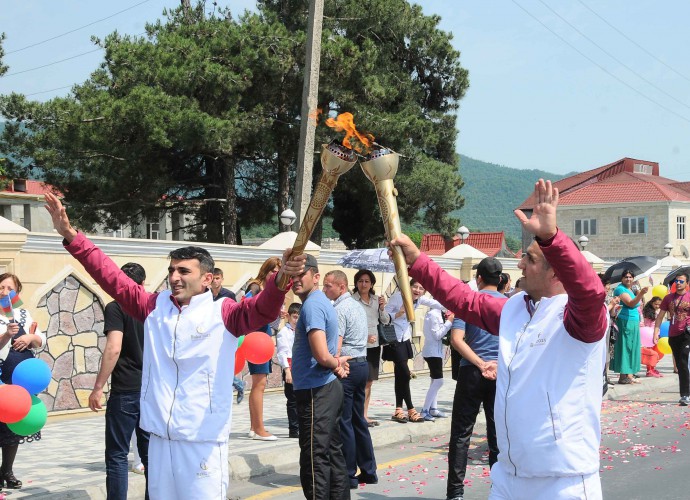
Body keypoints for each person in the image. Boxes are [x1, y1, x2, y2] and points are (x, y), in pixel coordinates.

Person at [44, 192, 303, 500]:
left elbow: (263, 310)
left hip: (202, 440)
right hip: (159, 439)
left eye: (184, 271)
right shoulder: (153, 307)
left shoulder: (225, 312)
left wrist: (280, 280)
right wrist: (73, 238)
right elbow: (112, 278)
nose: (174, 277)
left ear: (207, 278)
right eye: (171, 270)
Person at [390, 180, 608, 499]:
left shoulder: (580, 318)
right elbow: (463, 299)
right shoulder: (514, 308)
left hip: (563, 481)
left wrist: (551, 238)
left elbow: (590, 291)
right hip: (509, 476)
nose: (519, 264)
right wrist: (417, 261)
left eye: (531, 260)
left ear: (557, 272)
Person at [88, 262, 150, 500]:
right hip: (150, 390)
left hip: (125, 390)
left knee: (117, 455)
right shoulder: (152, 306)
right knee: (150, 457)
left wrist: (98, 387)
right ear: (142, 284)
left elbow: (114, 347)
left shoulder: (116, 307)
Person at [291, 254, 350, 500]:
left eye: (300, 274)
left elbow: (321, 354)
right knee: (331, 452)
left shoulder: (313, 304)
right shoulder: (318, 302)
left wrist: (335, 362)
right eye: (292, 275)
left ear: (315, 277)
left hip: (317, 390)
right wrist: (335, 363)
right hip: (324, 388)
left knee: (314, 457)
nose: (294, 280)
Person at [446, 257, 505, 500]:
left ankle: (456, 493)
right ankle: (499, 489)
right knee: (496, 434)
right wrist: (495, 365)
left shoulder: (468, 303)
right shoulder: (510, 305)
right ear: (500, 279)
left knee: (461, 434)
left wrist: (480, 363)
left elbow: (456, 339)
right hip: (499, 373)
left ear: (478, 278)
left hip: (472, 371)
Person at [322, 270, 378, 489]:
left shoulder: (340, 309)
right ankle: (369, 470)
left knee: (344, 422)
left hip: (347, 366)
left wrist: (333, 361)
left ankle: (348, 474)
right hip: (361, 363)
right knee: (358, 420)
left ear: (342, 287)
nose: (325, 290)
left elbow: (336, 344)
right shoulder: (356, 305)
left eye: (328, 286)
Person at [0, 273, 46, 490]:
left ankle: (6, 471)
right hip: (1, 378)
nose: (5, 291)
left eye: (10, 288)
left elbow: (40, 340)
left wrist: (30, 338)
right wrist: (6, 336)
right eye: (1, 287)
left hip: (21, 383)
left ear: (17, 292)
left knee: (13, 426)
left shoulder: (24, 314)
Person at [384, 279, 444, 423]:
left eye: (421, 288)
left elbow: (437, 304)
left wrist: (454, 305)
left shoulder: (420, 299)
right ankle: (411, 409)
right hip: (393, 338)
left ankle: (398, 409)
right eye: (415, 287)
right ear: (408, 286)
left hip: (404, 339)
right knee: (405, 373)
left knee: (400, 375)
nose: (417, 290)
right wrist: (399, 313)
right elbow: (385, 317)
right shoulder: (398, 297)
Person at [246, 257, 284, 441]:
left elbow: (272, 321)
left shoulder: (270, 290)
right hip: (256, 340)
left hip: (263, 338)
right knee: (259, 384)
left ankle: (255, 426)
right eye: (273, 271)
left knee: (259, 383)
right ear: (266, 270)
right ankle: (259, 428)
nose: (276, 275)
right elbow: (246, 307)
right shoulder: (255, 287)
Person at [351, 269, 390, 427]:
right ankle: (355, 415)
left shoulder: (376, 300)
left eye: (367, 281)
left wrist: (382, 308)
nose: (364, 284)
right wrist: (363, 337)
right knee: (357, 382)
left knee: (369, 382)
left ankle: (364, 415)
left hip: (373, 347)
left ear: (372, 283)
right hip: (358, 346)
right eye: (360, 281)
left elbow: (385, 321)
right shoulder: (352, 300)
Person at [655, 271, 690, 405]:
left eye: (681, 281)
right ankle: (686, 393)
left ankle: (685, 394)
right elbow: (660, 316)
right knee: (681, 365)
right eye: (677, 281)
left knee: (683, 359)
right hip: (673, 334)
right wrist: (656, 332)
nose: (679, 283)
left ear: (687, 284)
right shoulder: (668, 298)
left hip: (687, 333)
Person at [612, 270, 648, 384]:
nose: (628, 279)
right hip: (624, 321)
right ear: (622, 278)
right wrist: (641, 293)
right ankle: (623, 376)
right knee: (625, 347)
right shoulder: (620, 289)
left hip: (633, 321)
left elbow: (637, 303)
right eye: (626, 277)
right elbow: (630, 303)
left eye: (630, 277)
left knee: (632, 347)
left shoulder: (630, 290)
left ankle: (629, 375)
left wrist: (639, 293)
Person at [420, 305, 454, 421]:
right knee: (439, 381)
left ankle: (433, 408)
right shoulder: (434, 314)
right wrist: (449, 322)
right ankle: (424, 410)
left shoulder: (438, 312)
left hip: (436, 351)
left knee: (434, 380)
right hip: (432, 352)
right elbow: (437, 335)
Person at [276, 302, 301, 438]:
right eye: (294, 317)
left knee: (302, 398)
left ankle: (302, 426)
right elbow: (282, 353)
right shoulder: (283, 332)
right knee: (292, 400)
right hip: (290, 366)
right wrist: (287, 370)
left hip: (301, 366)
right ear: (289, 316)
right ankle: (294, 429)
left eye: (299, 317)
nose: (296, 320)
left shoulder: (302, 331)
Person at [641, 297, 664, 378]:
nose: (657, 306)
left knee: (657, 353)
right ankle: (649, 370)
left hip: (656, 334)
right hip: (650, 335)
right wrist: (652, 335)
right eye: (656, 304)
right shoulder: (648, 312)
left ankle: (652, 368)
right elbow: (648, 325)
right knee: (651, 353)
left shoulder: (656, 311)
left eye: (659, 304)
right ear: (651, 303)